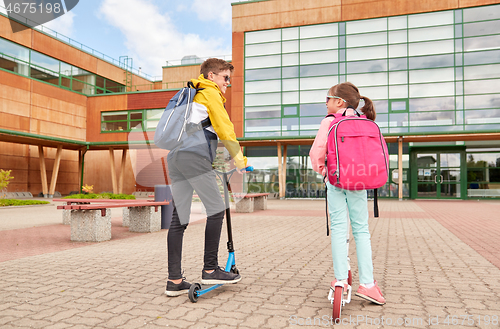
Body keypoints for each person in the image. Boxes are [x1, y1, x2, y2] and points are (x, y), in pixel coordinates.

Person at [165, 58, 249, 297]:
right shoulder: (209, 93)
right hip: (193, 158)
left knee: (178, 220)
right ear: (211, 76)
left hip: (176, 157)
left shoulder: (191, 95)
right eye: (225, 78)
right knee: (216, 208)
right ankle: (210, 269)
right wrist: (240, 161)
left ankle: (174, 280)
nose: (227, 84)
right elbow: (225, 128)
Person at [309, 82, 386, 305]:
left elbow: (316, 154)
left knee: (340, 229)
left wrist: (324, 172)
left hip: (336, 181)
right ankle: (368, 285)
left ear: (339, 102)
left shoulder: (330, 122)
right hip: (360, 181)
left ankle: (341, 280)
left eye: (328, 98)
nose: (325, 102)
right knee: (362, 230)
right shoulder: (366, 122)